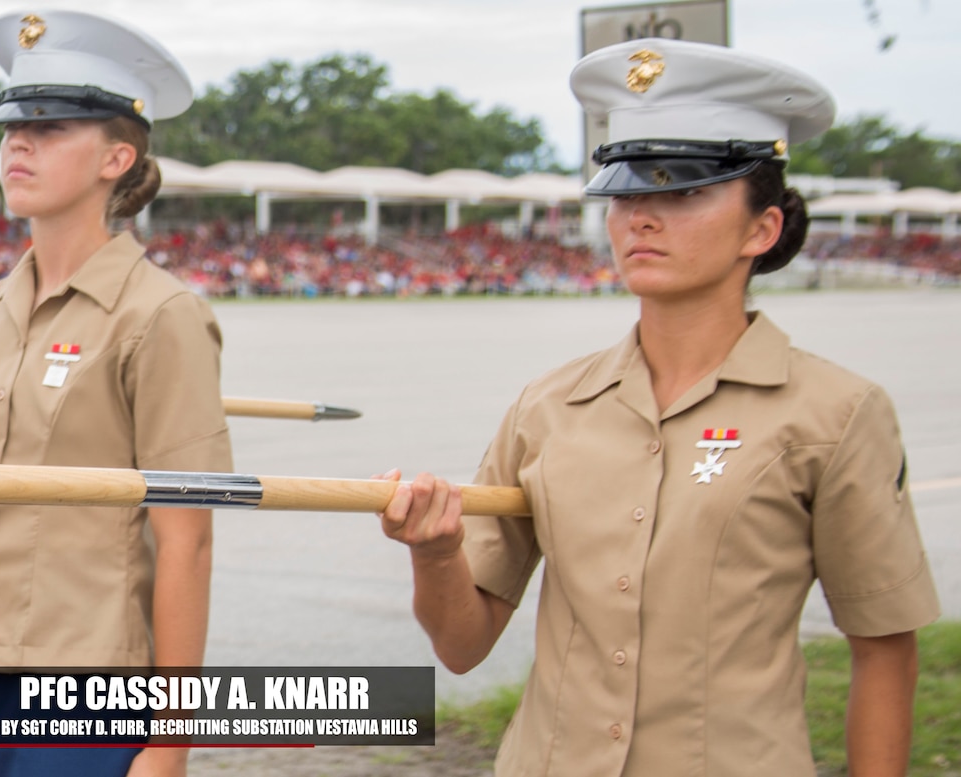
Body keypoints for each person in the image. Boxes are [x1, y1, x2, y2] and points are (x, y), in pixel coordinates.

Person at [379, 38, 940, 777]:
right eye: (627, 193)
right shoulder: (548, 406)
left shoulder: (834, 414)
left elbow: (884, 650)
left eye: (683, 193)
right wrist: (437, 551)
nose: (641, 217)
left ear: (761, 228)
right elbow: (462, 645)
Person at [0, 10, 232, 777]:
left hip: (80, 682)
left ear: (118, 157)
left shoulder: (161, 315)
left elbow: (187, 542)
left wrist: (169, 744)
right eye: (10, 128)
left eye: (54, 127)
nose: (19, 144)